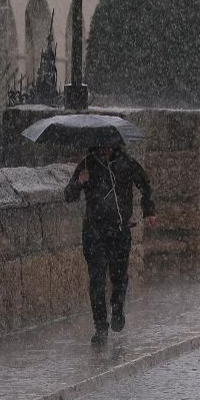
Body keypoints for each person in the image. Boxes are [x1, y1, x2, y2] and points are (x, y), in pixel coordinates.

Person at [64, 141, 155, 345]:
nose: (103, 149)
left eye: (107, 145)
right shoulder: (87, 165)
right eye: (99, 146)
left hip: (120, 231)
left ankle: (117, 307)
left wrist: (149, 210)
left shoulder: (127, 164)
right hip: (94, 233)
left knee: (119, 275)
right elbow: (68, 195)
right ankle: (100, 327)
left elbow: (145, 184)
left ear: (115, 145)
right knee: (96, 280)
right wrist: (79, 182)